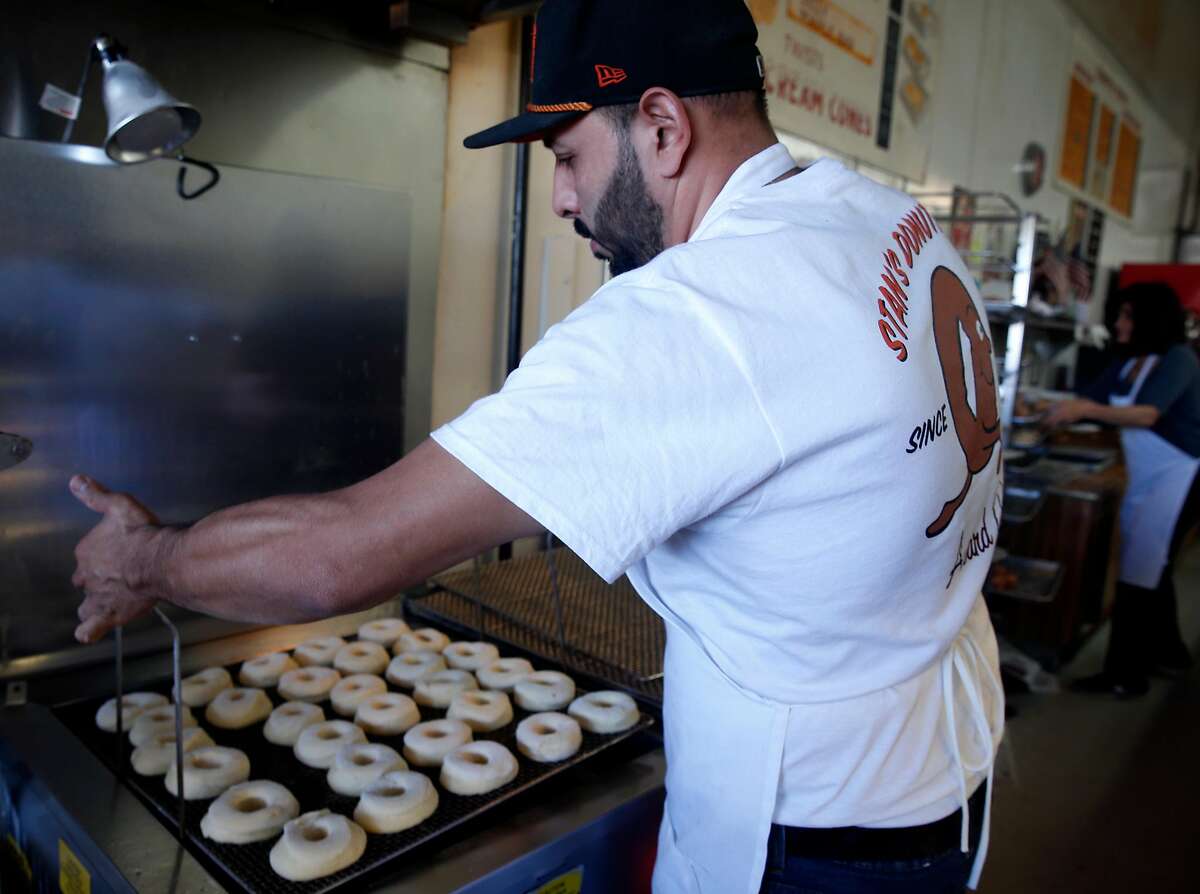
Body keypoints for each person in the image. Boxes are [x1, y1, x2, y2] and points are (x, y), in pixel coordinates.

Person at [70, 2, 1004, 891]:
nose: (560, 197)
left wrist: (148, 560)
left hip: (807, 833)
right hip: (941, 770)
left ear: (664, 128)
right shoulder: (879, 216)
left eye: (567, 155)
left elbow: (336, 558)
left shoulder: (699, 318)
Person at [1045, 283, 1200, 697]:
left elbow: (1147, 414)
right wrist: (1047, 409)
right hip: (1148, 474)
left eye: (1127, 315)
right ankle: (1168, 653)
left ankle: (1124, 676)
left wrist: (1084, 410)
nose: (1118, 323)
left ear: (1150, 320)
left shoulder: (1178, 360)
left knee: (1141, 568)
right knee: (1152, 566)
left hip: (1181, 472)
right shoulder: (1129, 363)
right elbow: (1083, 400)